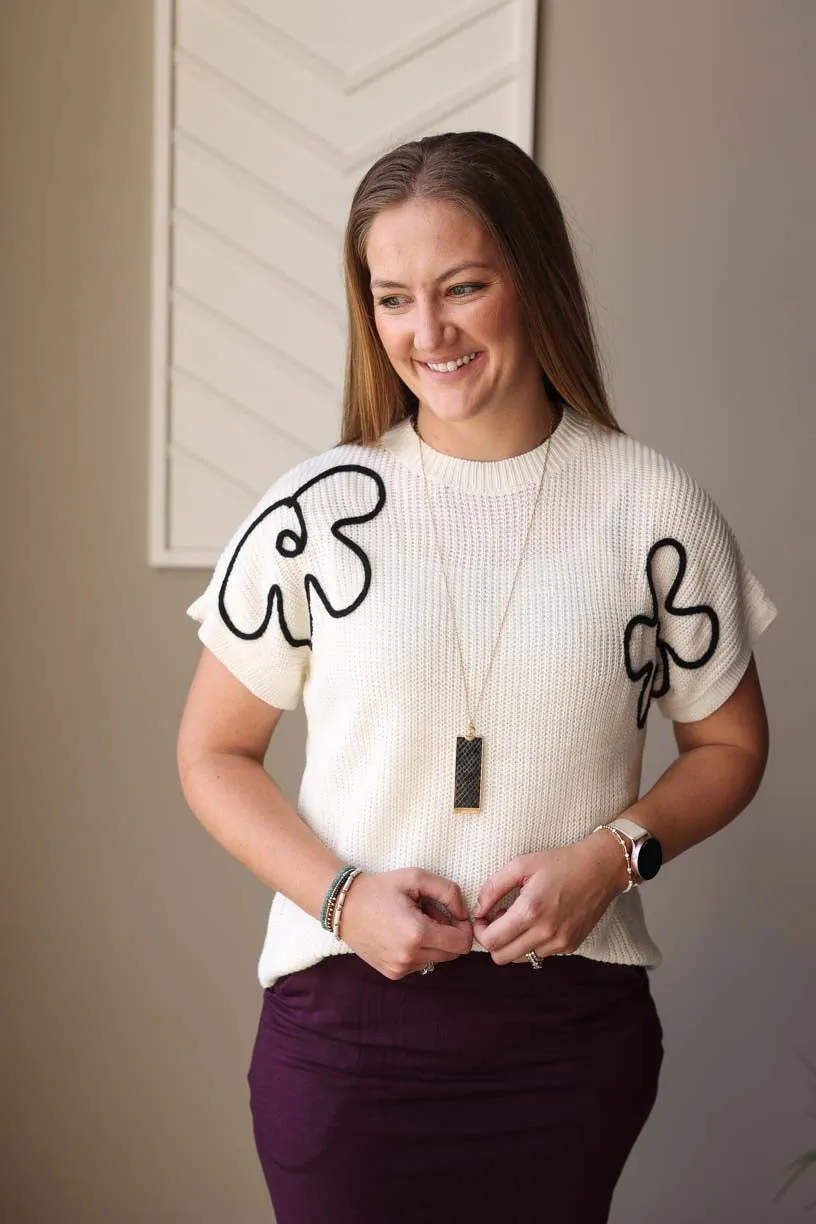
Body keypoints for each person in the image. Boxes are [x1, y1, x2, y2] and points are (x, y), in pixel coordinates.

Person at [177, 131, 777, 1223]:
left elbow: (731, 747)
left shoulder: (650, 507)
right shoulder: (316, 511)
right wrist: (342, 897)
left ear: (533, 280)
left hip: (565, 1043)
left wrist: (614, 856)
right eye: (392, 297)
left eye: (463, 287)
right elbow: (211, 752)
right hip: (342, 1037)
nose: (428, 333)